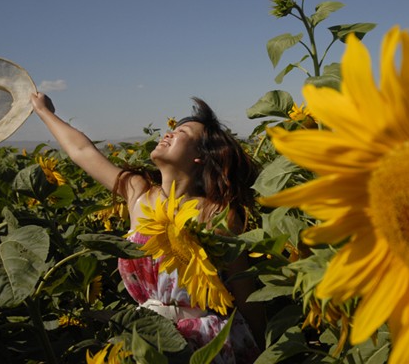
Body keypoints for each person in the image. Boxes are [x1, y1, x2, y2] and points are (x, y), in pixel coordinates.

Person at [31, 93, 263, 363]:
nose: (168, 133)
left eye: (182, 132)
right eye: (171, 128)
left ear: (200, 156)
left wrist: (265, 350)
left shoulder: (218, 213)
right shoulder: (138, 193)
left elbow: (245, 294)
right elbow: (83, 152)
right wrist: (44, 112)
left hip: (206, 343)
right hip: (143, 337)